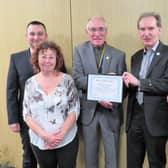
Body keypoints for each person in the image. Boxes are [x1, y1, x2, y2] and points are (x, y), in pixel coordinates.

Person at [6, 21, 66, 168]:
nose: (36, 37)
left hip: (54, 120)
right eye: (32, 34)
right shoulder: (16, 58)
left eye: (40, 33)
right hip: (28, 120)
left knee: (51, 160)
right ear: (26, 36)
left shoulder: (56, 58)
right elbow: (11, 91)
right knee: (29, 157)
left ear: (46, 36)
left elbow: (64, 87)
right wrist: (13, 119)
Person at [72, 16, 127, 168]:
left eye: (101, 29)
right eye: (93, 29)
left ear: (106, 31)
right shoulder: (79, 50)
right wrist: (98, 92)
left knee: (112, 156)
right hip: (89, 110)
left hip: (111, 111)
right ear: (86, 31)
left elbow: (124, 87)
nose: (97, 33)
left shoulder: (119, 54)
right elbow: (77, 79)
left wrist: (113, 99)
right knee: (90, 156)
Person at [23, 41, 80, 168]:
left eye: (51, 57)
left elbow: (74, 109)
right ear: (37, 58)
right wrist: (45, 136)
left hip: (66, 139)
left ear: (57, 59)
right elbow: (27, 114)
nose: (47, 60)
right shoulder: (29, 84)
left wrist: (61, 134)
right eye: (43, 56)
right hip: (40, 140)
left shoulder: (67, 80)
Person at [122, 12, 168, 168]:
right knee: (132, 164)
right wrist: (120, 83)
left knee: (156, 164)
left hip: (156, 120)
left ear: (159, 29)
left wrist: (139, 82)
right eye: (142, 29)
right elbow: (133, 87)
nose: (146, 33)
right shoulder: (136, 57)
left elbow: (166, 84)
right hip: (134, 117)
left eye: (151, 28)